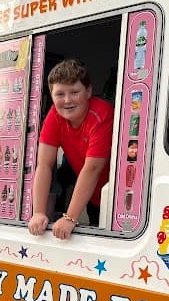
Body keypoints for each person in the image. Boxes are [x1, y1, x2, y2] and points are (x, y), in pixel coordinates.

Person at [28, 58, 113, 240]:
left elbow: (93, 168)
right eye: (60, 94)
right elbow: (44, 164)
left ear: (88, 91)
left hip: (116, 199)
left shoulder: (102, 114)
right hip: (91, 197)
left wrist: (70, 217)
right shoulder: (55, 115)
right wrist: (38, 213)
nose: (67, 100)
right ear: (51, 95)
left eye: (74, 92)